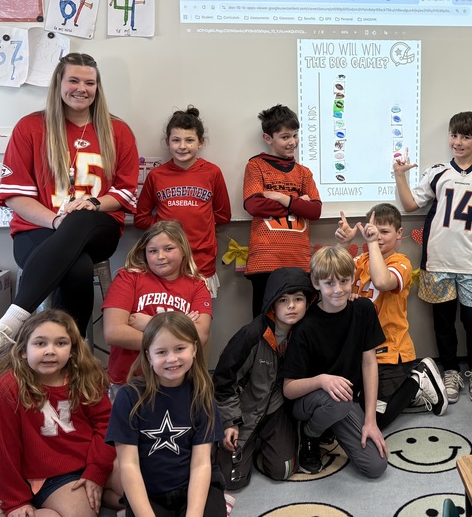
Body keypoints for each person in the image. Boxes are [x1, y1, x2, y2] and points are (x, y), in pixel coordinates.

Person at [0, 53, 138, 373]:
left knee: (80, 218)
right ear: (58, 83)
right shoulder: (31, 127)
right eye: (73, 80)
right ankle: (75, 361)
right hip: (35, 229)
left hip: (99, 227)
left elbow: (124, 193)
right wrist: (57, 220)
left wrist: (93, 203)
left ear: (98, 87)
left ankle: (6, 329)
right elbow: (15, 196)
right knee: (77, 268)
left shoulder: (117, 130)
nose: (81, 88)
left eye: (89, 82)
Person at [394, 111, 472, 404]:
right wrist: (399, 176)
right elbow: (409, 204)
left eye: (466, 136)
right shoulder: (438, 172)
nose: (458, 142)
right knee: (443, 323)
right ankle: (451, 371)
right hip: (437, 263)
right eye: (454, 135)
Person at [0, 309, 122, 517]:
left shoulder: (84, 376)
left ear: (73, 350)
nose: (50, 351)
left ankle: (105, 495)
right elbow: (5, 447)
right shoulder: (9, 387)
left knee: (143, 485)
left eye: (61, 343)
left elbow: (106, 426)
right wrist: (15, 502)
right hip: (48, 475)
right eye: (40, 343)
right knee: (81, 513)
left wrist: (96, 473)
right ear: (23, 351)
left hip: (91, 457)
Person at [107, 312, 230, 517]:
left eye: (180, 348)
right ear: (148, 356)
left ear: (194, 349)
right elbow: (128, 464)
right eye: (161, 352)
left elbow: (201, 463)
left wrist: (194, 514)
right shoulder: (129, 397)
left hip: (195, 487)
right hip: (149, 494)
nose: (171, 359)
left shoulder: (202, 395)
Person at [282, 246, 388, 479]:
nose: (338, 290)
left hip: (343, 398)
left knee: (376, 465)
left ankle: (328, 425)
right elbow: (288, 390)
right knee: (338, 400)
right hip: (308, 402)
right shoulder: (305, 326)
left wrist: (370, 421)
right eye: (329, 283)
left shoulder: (363, 309)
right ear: (316, 283)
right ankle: (309, 435)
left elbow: (369, 363)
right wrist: (321, 380)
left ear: (353, 279)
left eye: (344, 281)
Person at [335, 204, 448, 422]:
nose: (377, 236)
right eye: (373, 230)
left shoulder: (401, 262)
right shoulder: (360, 261)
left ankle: (418, 378)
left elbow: (381, 280)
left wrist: (371, 243)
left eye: (384, 232)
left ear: (399, 235)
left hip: (391, 354)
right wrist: (344, 243)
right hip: (363, 354)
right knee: (351, 407)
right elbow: (333, 277)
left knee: (375, 419)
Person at [212, 267, 314, 492]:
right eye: (283, 300)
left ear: (308, 302)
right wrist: (230, 422)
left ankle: (266, 444)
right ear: (272, 304)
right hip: (244, 411)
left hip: (276, 411)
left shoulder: (307, 332)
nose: (291, 306)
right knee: (231, 481)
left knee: (284, 470)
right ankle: (236, 442)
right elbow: (223, 381)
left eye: (298, 299)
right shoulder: (252, 335)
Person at [103, 221, 212, 393]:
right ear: (145, 253)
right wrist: (179, 338)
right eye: (153, 251)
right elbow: (113, 332)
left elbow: (199, 336)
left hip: (179, 381)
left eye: (168, 249)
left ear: (183, 250)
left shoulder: (197, 285)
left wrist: (150, 323)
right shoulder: (128, 278)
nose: (160, 256)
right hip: (129, 381)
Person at [135, 107, 231, 297]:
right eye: (176, 140)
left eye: (189, 140)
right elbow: (140, 218)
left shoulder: (212, 173)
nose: (182, 146)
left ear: (201, 142)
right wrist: (165, 227)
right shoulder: (156, 175)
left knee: (198, 320)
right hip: (165, 261)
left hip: (201, 260)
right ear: (167, 142)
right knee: (167, 317)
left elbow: (223, 215)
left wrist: (201, 225)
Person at [243, 104, 322, 316]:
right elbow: (254, 205)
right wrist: (297, 203)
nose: (292, 142)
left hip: (298, 261)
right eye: (285, 137)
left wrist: (281, 197)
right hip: (265, 261)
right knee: (264, 324)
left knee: (300, 325)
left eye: (295, 135)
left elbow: (314, 210)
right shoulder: (256, 166)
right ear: (268, 138)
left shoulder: (304, 173)